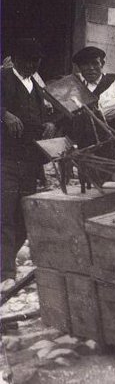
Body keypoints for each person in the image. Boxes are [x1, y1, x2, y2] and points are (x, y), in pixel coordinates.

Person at [1, 39, 56, 291]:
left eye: (35, 62)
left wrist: (49, 125)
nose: (31, 65)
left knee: (24, 216)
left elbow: (46, 117)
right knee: (4, 215)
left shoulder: (36, 86)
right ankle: (5, 273)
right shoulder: (2, 77)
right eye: (26, 60)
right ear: (15, 58)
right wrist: (4, 114)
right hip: (6, 159)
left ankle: (5, 263)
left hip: (30, 161)